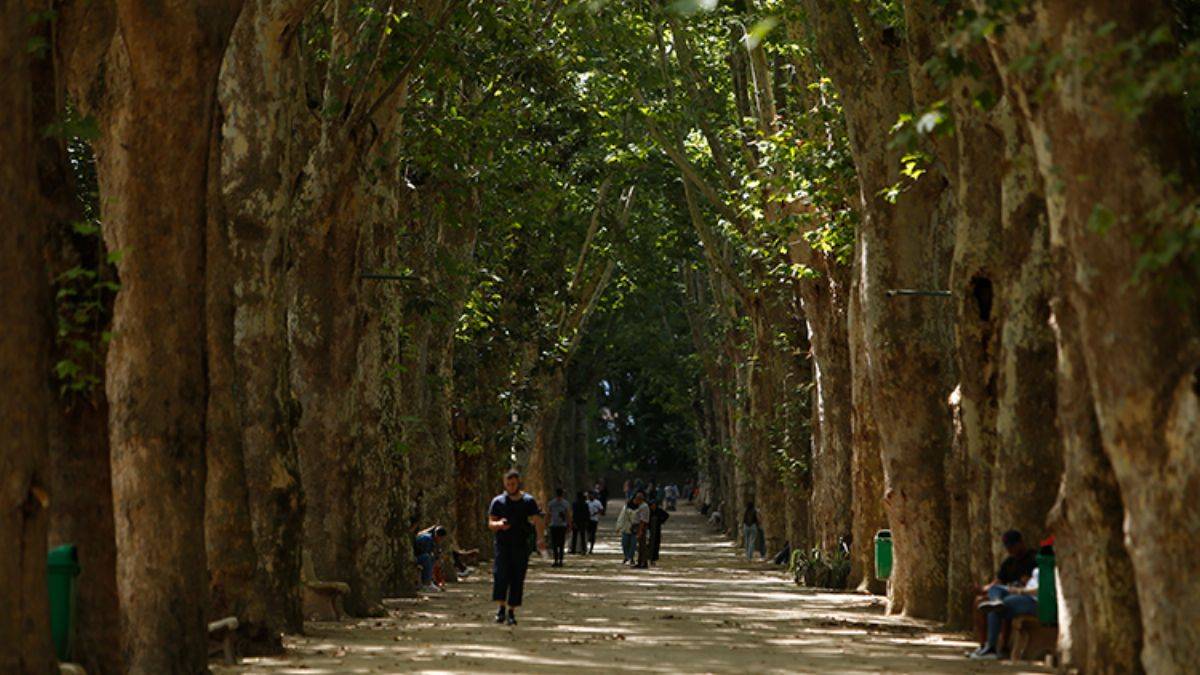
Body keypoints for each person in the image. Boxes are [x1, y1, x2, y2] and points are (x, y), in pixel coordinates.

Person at [488, 469, 545, 626]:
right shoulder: (498, 502)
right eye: (508, 484)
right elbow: (491, 523)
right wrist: (499, 524)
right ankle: (501, 609)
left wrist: (540, 538)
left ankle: (511, 611)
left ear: (518, 483)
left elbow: (537, 519)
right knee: (500, 576)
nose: (510, 487)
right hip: (502, 545)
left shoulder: (528, 501)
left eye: (513, 484)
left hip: (521, 545)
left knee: (517, 578)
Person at [970, 529, 1037, 655]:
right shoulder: (1009, 562)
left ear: (1021, 543)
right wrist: (982, 589)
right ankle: (984, 645)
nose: (1010, 549)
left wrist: (1019, 587)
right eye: (1007, 546)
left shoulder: (1033, 559)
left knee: (998, 606)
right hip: (1006, 592)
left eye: (1012, 546)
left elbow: (1031, 584)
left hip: (1023, 595)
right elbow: (997, 582)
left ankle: (997, 647)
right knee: (982, 601)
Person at [971, 566, 1040, 660]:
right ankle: (996, 600)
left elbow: (1041, 590)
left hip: (1033, 601)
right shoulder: (1038, 567)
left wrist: (1021, 591)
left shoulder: (1050, 569)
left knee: (996, 607)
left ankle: (991, 649)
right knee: (995, 589)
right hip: (1024, 593)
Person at [414, 525, 448, 593]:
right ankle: (426, 583)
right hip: (416, 557)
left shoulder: (432, 539)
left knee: (432, 559)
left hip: (420, 555)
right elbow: (423, 551)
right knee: (428, 558)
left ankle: (432, 581)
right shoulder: (427, 539)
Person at [546, 488, 570, 567]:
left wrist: (546, 523)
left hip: (553, 525)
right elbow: (567, 515)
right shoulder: (565, 503)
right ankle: (560, 561)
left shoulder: (551, 503)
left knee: (555, 544)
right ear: (562, 494)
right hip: (562, 526)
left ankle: (556, 560)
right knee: (561, 544)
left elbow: (548, 514)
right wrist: (569, 524)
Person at [648, 499, 670, 565]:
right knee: (649, 545)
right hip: (649, 530)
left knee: (656, 545)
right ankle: (648, 558)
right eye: (652, 505)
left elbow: (667, 515)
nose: (653, 507)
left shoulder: (659, 511)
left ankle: (654, 559)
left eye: (654, 505)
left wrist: (661, 521)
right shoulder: (648, 511)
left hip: (657, 531)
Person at [615, 498, 637, 564]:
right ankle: (626, 556)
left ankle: (631, 557)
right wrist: (618, 527)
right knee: (625, 544)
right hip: (626, 528)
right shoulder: (625, 508)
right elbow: (621, 517)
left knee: (633, 545)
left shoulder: (639, 508)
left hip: (635, 529)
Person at [633, 490, 651, 569]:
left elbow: (642, 521)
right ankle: (640, 562)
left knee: (642, 546)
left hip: (641, 527)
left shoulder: (644, 507)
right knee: (640, 546)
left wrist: (640, 531)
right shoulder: (641, 506)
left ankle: (644, 562)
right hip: (639, 526)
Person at [570, 491, 590, 555]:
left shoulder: (574, 504)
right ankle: (583, 549)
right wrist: (587, 521)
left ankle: (573, 549)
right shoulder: (585, 504)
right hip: (583, 522)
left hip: (576, 521)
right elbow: (587, 513)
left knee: (574, 536)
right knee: (582, 536)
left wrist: (572, 521)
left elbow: (573, 513)